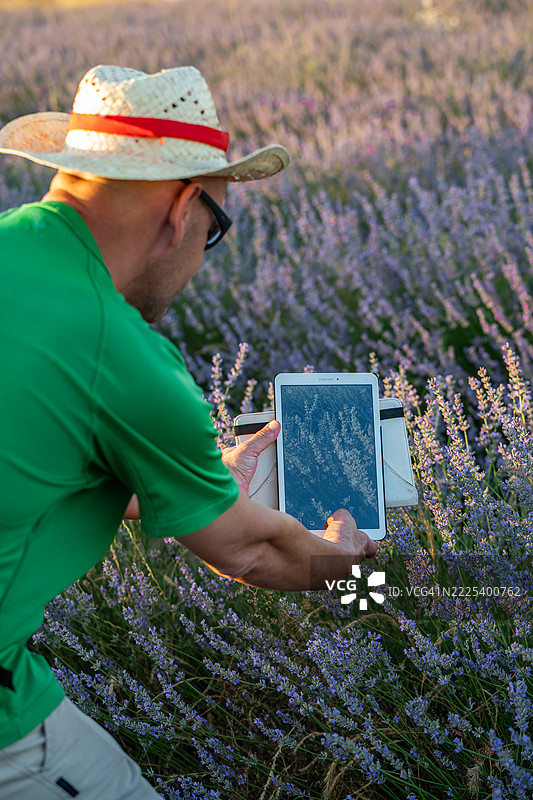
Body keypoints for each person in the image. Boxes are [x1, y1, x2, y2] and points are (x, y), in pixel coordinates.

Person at [0, 64, 379, 799]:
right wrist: (362, 576)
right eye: (217, 229)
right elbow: (251, 553)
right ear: (181, 207)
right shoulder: (118, 348)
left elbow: (32, 460)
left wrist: (188, 483)